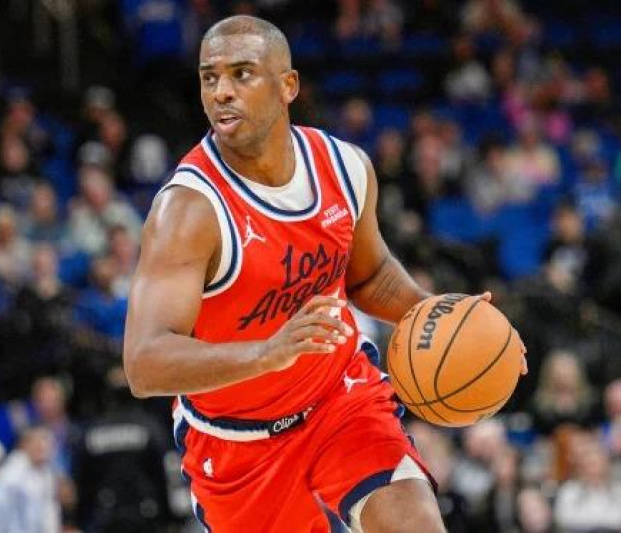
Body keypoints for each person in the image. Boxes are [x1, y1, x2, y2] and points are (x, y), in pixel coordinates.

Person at [123, 15, 527, 532]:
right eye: (209, 77)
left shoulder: (344, 166)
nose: (221, 91)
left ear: (288, 85)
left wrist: (454, 321)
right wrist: (268, 353)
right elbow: (144, 363)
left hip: (341, 400)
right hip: (238, 443)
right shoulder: (188, 212)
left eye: (242, 73)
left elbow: (370, 276)